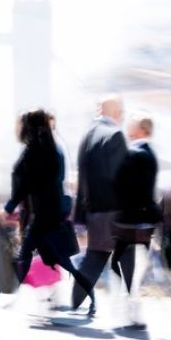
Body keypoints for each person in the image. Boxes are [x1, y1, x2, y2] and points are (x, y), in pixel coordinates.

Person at [0, 109, 94, 309]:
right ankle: (89, 292)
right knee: (60, 260)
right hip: (54, 212)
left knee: (25, 254)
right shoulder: (54, 150)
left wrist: (8, 209)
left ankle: (12, 295)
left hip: (43, 216)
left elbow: (20, 187)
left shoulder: (32, 153)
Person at [72, 95, 134, 316]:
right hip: (114, 210)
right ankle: (130, 304)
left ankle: (75, 302)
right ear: (117, 112)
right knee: (126, 254)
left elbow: (82, 178)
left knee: (96, 257)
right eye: (122, 110)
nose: (124, 114)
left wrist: (80, 214)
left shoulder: (87, 135)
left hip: (93, 211)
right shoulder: (116, 135)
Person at [111, 114, 162, 329]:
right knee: (133, 261)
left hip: (129, 217)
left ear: (140, 129)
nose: (127, 128)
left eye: (131, 125)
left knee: (122, 262)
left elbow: (119, 183)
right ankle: (130, 303)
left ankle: (129, 304)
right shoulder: (150, 153)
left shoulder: (133, 154)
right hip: (144, 217)